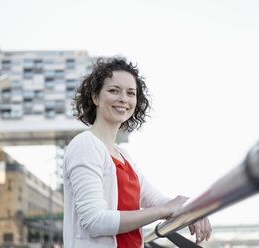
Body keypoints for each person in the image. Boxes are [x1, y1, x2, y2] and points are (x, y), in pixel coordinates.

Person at [63, 57, 212, 248]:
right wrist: (167, 209)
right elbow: (94, 221)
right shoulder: (85, 145)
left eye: (130, 93)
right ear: (95, 97)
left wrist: (191, 209)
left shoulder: (123, 155)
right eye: (113, 90)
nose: (123, 99)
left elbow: (155, 200)